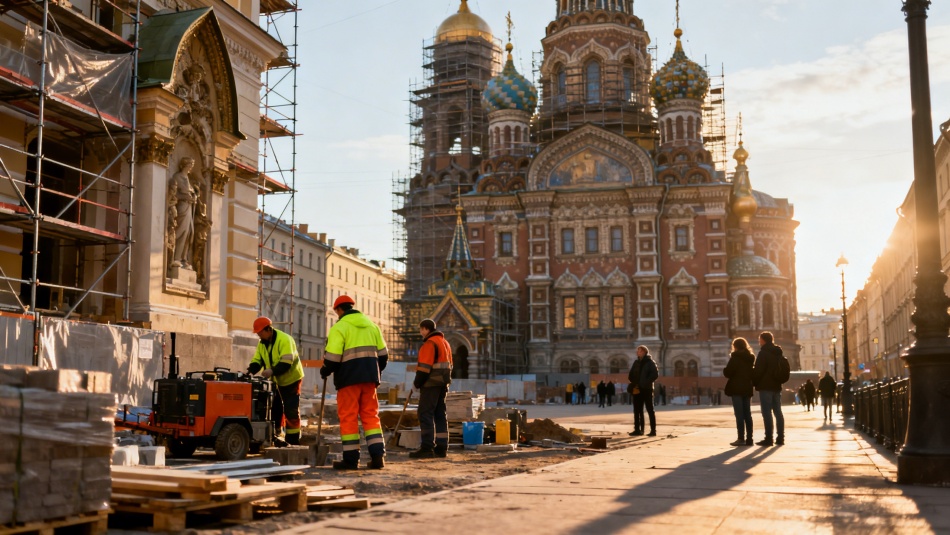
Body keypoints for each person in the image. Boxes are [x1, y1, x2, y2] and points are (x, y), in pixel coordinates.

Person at [321, 295, 389, 470]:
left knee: (349, 417)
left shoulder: (340, 328)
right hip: (370, 379)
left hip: (348, 379)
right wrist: (375, 372)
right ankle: (378, 457)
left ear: (339, 310)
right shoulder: (372, 326)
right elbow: (383, 356)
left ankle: (351, 460)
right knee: (370, 416)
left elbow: (333, 358)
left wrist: (325, 370)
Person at [247, 316, 305, 446]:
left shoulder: (285, 340)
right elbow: (258, 360)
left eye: (260, 333)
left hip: (291, 379)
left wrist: (271, 371)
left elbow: (286, 363)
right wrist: (249, 372)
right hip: (276, 381)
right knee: (275, 408)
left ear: (268, 330)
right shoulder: (262, 343)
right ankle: (277, 435)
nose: (259, 336)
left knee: (291, 410)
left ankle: (293, 440)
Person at [410, 319, 453, 459]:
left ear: (425, 329)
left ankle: (427, 447)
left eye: (421, 329)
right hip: (443, 384)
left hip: (431, 384)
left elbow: (423, 369)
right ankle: (442, 447)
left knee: (425, 413)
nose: (420, 333)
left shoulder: (430, 343)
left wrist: (416, 384)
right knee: (440, 414)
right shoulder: (445, 343)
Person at [751, 331, 785, 446]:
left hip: (765, 386)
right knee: (778, 412)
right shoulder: (778, 352)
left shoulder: (763, 353)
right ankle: (780, 438)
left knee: (767, 413)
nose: (758, 341)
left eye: (759, 339)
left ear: (763, 340)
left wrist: (755, 383)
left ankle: (768, 438)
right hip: (777, 386)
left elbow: (758, 371)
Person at [723, 337, 755, 446]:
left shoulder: (735, 358)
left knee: (739, 414)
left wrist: (725, 370)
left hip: (736, 389)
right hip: (747, 387)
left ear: (735, 346)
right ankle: (750, 439)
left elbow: (728, 373)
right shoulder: (750, 358)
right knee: (747, 414)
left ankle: (741, 438)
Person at [168, 157, 198, 269]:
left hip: (189, 207)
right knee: (180, 231)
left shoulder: (187, 179)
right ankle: (175, 258)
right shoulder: (177, 177)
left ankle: (183, 258)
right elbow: (174, 194)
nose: (191, 167)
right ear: (185, 165)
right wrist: (186, 197)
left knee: (189, 233)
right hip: (182, 207)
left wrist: (194, 197)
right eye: (190, 164)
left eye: (192, 165)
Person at [629, 345, 659, 437]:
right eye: (638, 351)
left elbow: (655, 375)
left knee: (650, 409)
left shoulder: (650, 362)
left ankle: (653, 430)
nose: (638, 352)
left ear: (645, 352)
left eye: (640, 351)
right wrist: (634, 382)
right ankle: (638, 430)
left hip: (647, 389)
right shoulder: (636, 362)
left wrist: (645, 383)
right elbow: (630, 375)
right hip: (637, 389)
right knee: (637, 410)